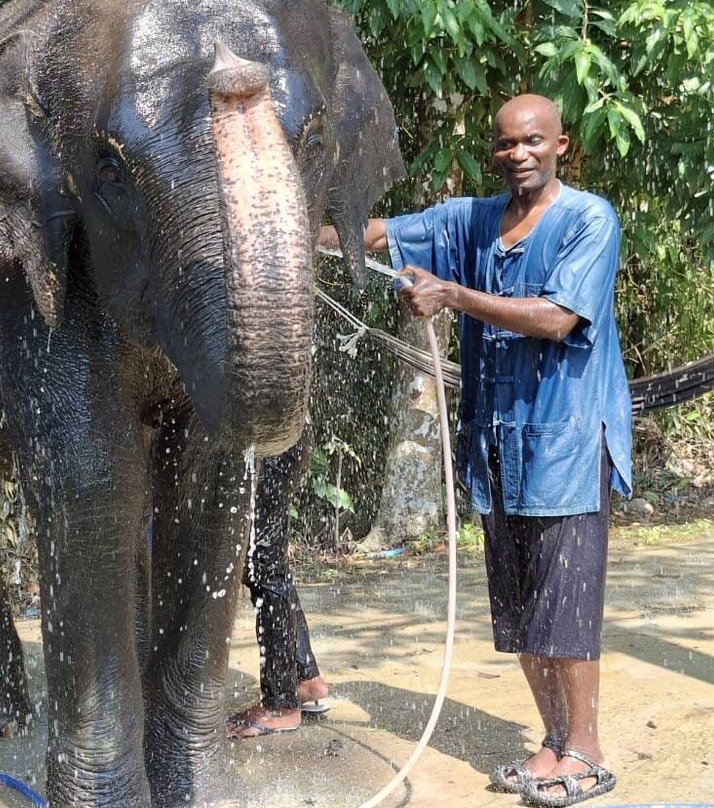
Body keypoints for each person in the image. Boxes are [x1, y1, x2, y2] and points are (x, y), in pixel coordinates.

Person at [320, 94, 631, 807]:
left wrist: (452, 294)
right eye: (504, 144)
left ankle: (586, 749)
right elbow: (370, 236)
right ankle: (552, 742)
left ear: (560, 146)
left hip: (569, 443)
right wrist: (278, 229)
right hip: (498, 450)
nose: (516, 153)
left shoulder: (589, 219)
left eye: (531, 141)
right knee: (523, 611)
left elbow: (557, 317)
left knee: (567, 608)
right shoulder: (471, 221)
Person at [227, 438, 330, 739]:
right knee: (262, 562)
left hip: (270, 442)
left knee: (263, 563)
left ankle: (281, 705)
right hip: (274, 442)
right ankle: (304, 679)